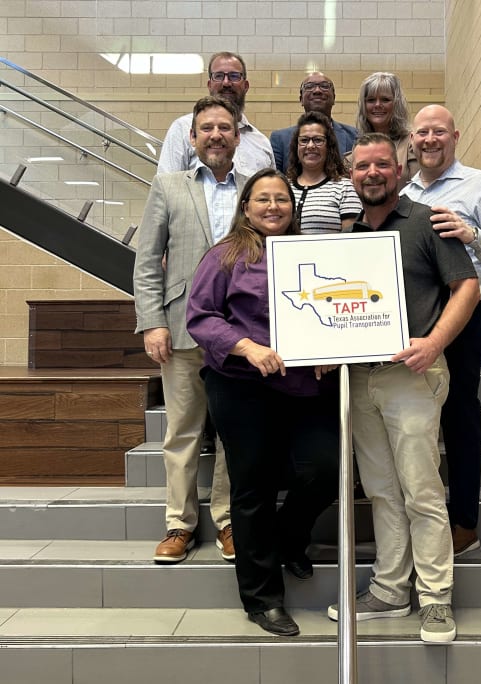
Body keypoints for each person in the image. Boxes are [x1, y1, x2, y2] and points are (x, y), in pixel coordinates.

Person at [327, 133, 480, 643]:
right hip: (360, 378)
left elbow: (467, 287)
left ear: (399, 169)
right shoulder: (347, 235)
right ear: (352, 175)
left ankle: (435, 599)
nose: (372, 173)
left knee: (421, 490)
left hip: (411, 376)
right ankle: (391, 590)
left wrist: (435, 343)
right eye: (362, 166)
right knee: (381, 492)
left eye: (382, 165)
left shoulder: (427, 221)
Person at [186, 169, 339, 637]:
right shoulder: (224, 255)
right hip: (240, 385)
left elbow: (333, 308)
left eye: (282, 200)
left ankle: (290, 540)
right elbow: (200, 317)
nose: (273, 207)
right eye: (262, 199)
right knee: (251, 488)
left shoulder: (308, 253)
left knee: (324, 469)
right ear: (246, 206)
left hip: (305, 387)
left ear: (293, 208)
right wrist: (246, 346)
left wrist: (332, 351)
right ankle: (262, 599)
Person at [402, 105, 481, 556]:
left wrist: (472, 234)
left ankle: (464, 522)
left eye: (438, 132)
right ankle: (417, 517)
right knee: (414, 417)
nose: (429, 140)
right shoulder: (405, 192)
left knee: (458, 413)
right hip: (416, 317)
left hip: (467, 313)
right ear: (412, 141)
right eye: (422, 133)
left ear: (454, 137)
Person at [133, 96, 249, 564]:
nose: (216, 134)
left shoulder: (256, 188)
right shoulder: (167, 186)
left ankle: (226, 520)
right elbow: (147, 262)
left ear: (238, 136)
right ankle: (178, 525)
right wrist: (152, 322)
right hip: (180, 330)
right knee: (182, 432)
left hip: (241, 332)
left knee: (231, 432)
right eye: (207, 128)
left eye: (225, 127)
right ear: (193, 137)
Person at [157, 51, 274, 176]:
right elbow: (166, 188)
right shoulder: (182, 129)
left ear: (245, 86)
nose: (226, 83)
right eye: (218, 76)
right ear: (209, 85)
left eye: (234, 76)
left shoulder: (262, 143)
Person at [285, 110, 361, 234]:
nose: (310, 146)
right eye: (304, 140)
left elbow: (351, 241)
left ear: (329, 146)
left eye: (318, 140)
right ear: (296, 146)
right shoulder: (284, 186)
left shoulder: (345, 188)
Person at [270, 72, 357, 172]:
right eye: (309, 86)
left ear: (334, 98)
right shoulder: (279, 139)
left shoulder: (354, 136)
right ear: (301, 99)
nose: (317, 91)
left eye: (324, 86)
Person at [351, 71, 418, 190]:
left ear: (396, 104)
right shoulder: (354, 152)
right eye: (371, 100)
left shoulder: (412, 144)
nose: (377, 105)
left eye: (385, 100)